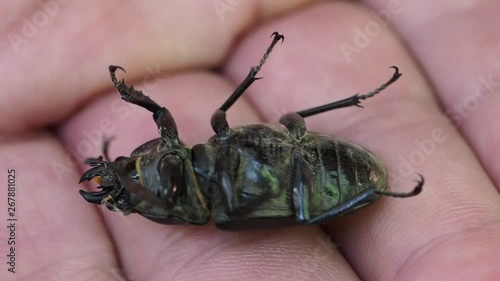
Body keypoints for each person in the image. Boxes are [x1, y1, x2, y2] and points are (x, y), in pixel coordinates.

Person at [1, 1, 498, 280]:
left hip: (306, 159)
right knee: (285, 166)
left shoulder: (178, 156)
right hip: (299, 192)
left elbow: (161, 119)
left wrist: (129, 105)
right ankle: (373, 185)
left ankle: (359, 99)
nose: (125, 175)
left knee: (279, 120)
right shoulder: (190, 205)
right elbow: (173, 197)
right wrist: (135, 190)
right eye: (128, 186)